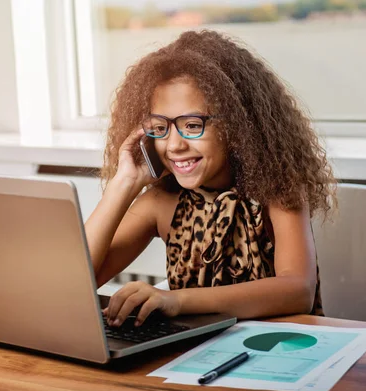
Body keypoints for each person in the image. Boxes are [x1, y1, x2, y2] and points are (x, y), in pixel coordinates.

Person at [84, 29, 336, 328]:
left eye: (192, 125)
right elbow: (74, 283)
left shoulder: (277, 191)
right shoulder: (160, 203)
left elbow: (298, 290)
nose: (175, 145)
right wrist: (122, 185)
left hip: (280, 350)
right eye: (159, 127)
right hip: (191, 359)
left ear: (237, 125)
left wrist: (176, 300)